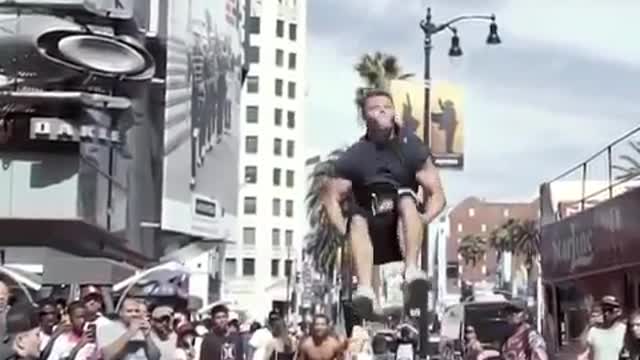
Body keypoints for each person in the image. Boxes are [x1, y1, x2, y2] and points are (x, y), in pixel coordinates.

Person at [322, 89, 446, 319]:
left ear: (394, 112)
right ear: (364, 117)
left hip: (402, 229)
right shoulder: (355, 156)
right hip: (370, 233)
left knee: (407, 199)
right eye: (374, 107)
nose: (381, 110)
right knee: (357, 218)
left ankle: (411, 271)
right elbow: (330, 198)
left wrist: (424, 220)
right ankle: (366, 289)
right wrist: (343, 231)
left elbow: (438, 195)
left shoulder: (411, 148)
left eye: (386, 106)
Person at [583, 296, 626, 360]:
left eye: (610, 310)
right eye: (604, 309)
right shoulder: (593, 331)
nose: (606, 313)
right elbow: (587, 352)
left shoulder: (624, 330)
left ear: (619, 312)